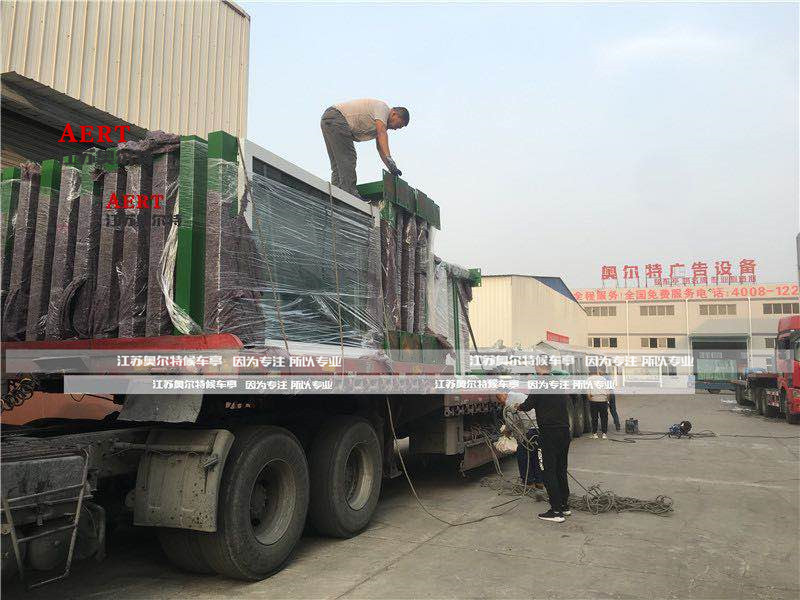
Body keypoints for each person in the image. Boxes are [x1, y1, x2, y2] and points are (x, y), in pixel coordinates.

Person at [501, 365, 572, 523]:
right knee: (561, 470)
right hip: (564, 432)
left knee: (548, 471)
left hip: (549, 434)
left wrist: (516, 407)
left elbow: (527, 405)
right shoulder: (558, 384)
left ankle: (556, 511)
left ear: (539, 368)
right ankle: (564, 506)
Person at [320, 99, 410, 197]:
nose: (396, 129)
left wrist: (391, 167)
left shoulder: (381, 122)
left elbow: (380, 148)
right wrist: (389, 158)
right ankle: (350, 194)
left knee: (338, 163)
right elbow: (382, 133)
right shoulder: (383, 109)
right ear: (394, 114)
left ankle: (336, 194)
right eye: (398, 125)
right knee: (349, 157)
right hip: (337, 118)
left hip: (329, 119)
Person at [587, 368, 610, 439]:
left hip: (594, 400)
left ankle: (595, 434)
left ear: (590, 371)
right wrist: (607, 400)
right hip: (603, 400)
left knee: (594, 417)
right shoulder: (603, 379)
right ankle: (604, 434)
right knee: (604, 417)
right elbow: (608, 392)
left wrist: (590, 400)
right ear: (597, 371)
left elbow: (588, 392)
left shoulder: (589, 379)